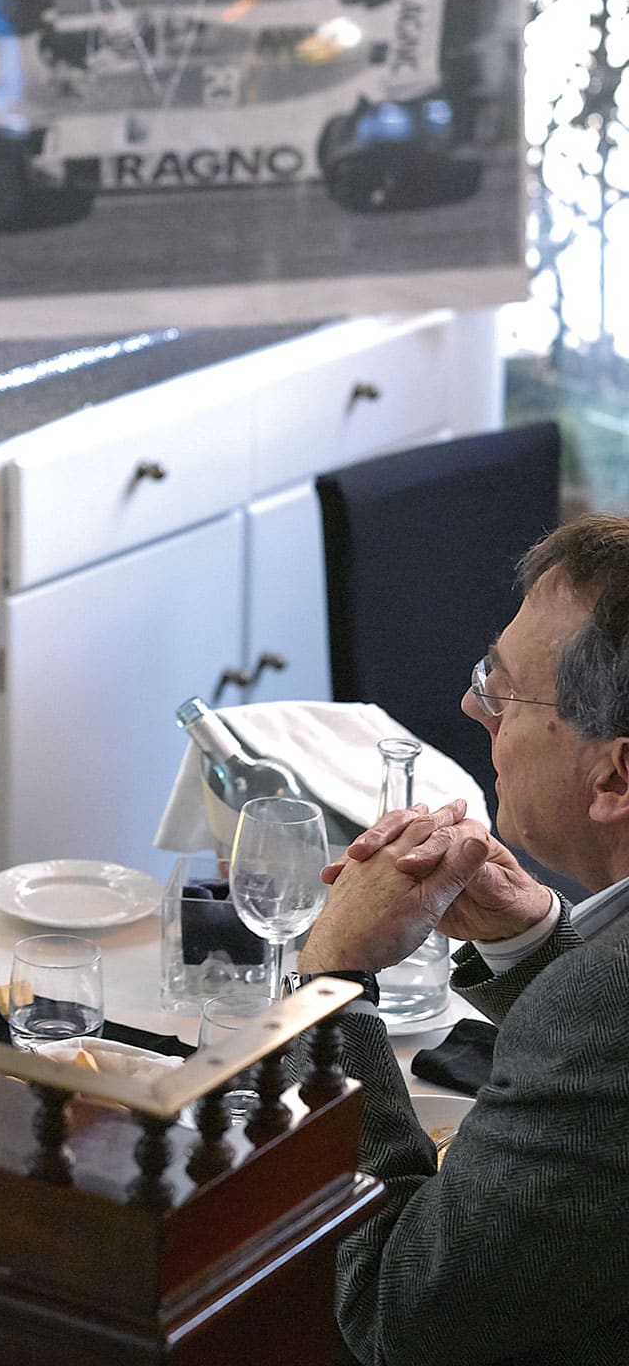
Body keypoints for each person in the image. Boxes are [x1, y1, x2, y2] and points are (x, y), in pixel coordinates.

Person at [290, 514, 629, 1366]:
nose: (473, 707)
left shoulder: (603, 1015)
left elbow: (395, 1317)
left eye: (505, 693)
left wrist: (330, 989)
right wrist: (529, 940)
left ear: (616, 777)